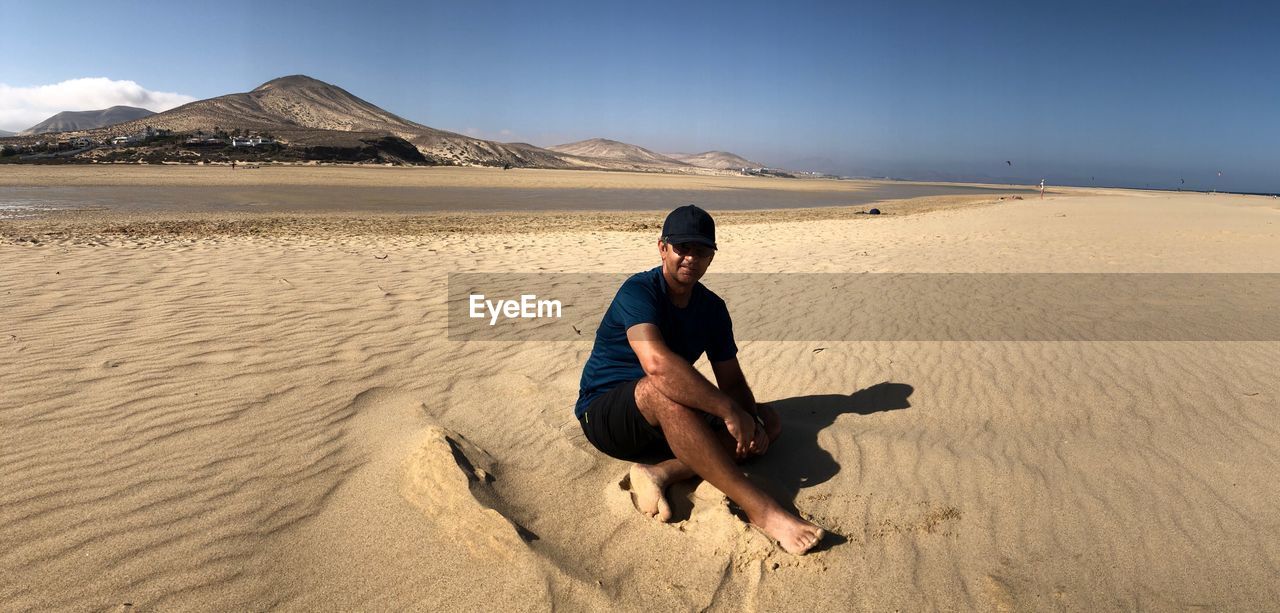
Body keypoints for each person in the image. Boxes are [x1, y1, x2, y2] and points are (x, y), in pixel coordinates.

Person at [576, 204, 825, 555]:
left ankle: (661, 473)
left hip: (668, 418)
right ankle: (761, 509)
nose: (691, 258)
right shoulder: (639, 291)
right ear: (662, 248)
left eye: (702, 250)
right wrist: (727, 411)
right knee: (662, 389)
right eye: (683, 248)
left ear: (711, 257)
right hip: (605, 414)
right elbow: (657, 365)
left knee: (766, 422)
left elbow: (732, 380)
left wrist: (747, 418)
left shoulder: (712, 308)